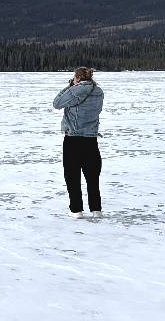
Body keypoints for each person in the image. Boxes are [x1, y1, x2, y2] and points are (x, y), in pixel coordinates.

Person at [53, 66, 104, 219]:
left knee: (72, 175)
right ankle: (96, 210)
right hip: (91, 138)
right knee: (93, 176)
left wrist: (69, 86)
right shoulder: (99, 92)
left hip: (73, 138)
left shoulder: (75, 90)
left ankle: (76, 210)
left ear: (77, 78)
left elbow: (57, 103)